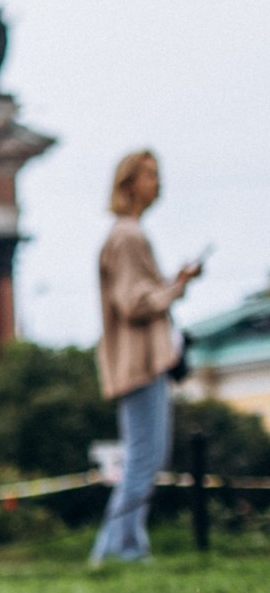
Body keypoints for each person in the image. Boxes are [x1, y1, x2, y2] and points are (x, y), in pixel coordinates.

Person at [91, 149, 203, 565]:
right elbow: (133, 304)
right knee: (144, 457)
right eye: (150, 174)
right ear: (129, 183)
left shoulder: (125, 234)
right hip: (139, 362)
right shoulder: (128, 236)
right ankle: (125, 549)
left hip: (141, 361)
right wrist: (177, 286)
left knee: (144, 456)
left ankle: (113, 549)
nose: (158, 182)